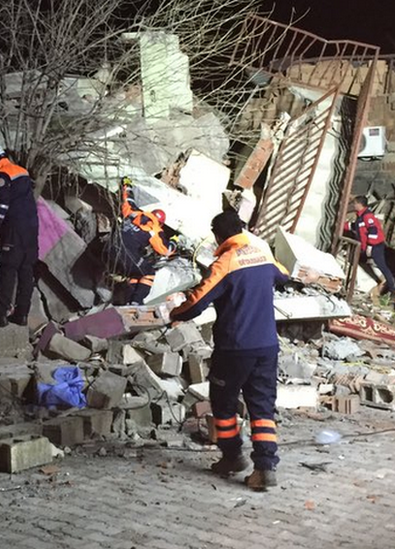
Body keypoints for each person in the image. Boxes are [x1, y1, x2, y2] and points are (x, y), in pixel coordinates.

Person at [169, 211, 290, 491]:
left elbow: (197, 302)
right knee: (262, 408)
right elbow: (284, 275)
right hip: (267, 346)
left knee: (223, 404)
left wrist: (174, 313)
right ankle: (265, 468)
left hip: (235, 348)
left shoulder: (224, 263)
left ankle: (233, 456)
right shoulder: (261, 254)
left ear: (217, 236)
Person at [0, 144, 39, 327]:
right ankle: (22, 314)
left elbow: (2, 204)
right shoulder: (21, 171)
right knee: (26, 271)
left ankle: (0, 315)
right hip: (31, 229)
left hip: (14, 228)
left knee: (7, 269)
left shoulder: (1, 174)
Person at [110, 176, 177, 304]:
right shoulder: (154, 230)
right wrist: (175, 240)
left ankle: (128, 301)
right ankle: (136, 302)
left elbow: (128, 199)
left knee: (136, 273)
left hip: (110, 250)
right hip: (126, 256)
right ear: (161, 223)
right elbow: (166, 250)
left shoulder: (133, 213)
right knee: (148, 272)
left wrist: (127, 184)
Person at [347, 195, 395, 296]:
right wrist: (343, 225)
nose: (354, 205)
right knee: (361, 262)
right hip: (366, 246)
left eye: (355, 203)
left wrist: (370, 246)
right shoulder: (360, 216)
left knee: (382, 266)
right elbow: (357, 227)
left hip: (375, 246)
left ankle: (392, 289)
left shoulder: (367, 216)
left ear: (360, 204)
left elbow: (373, 231)